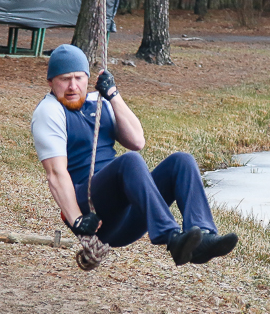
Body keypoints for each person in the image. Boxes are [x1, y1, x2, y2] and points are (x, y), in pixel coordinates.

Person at [31, 44, 238, 266]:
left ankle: (202, 239)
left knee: (182, 161)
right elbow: (55, 173)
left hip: (127, 216)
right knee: (129, 161)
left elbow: (137, 141)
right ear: (51, 82)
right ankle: (172, 237)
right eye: (64, 79)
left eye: (78, 78)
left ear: (87, 78)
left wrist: (113, 96)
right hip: (94, 212)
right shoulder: (49, 111)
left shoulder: (99, 102)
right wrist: (77, 220)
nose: (73, 86)